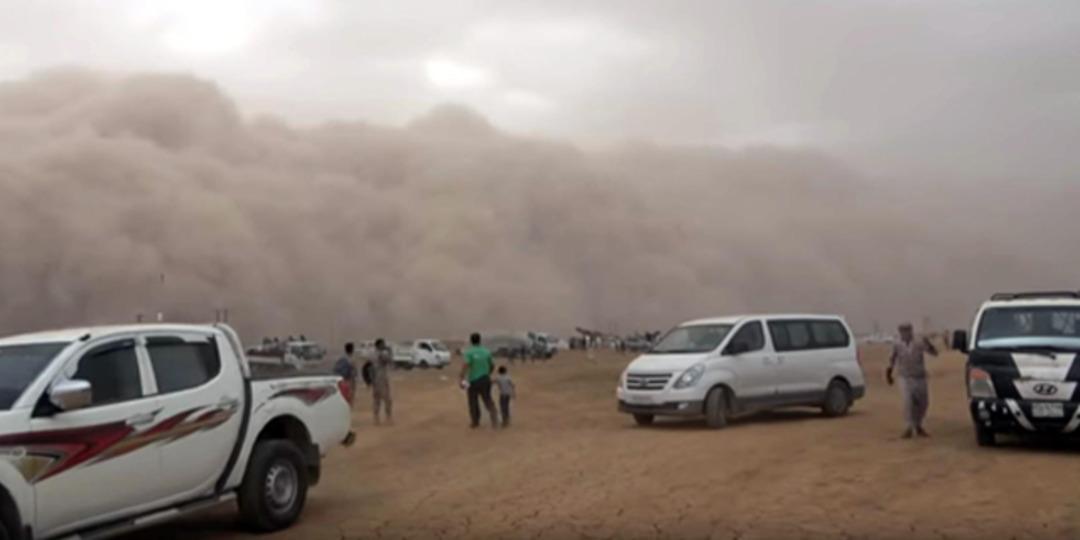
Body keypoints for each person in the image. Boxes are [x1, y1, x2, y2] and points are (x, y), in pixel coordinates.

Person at [887, 323, 938, 438]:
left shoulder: (919, 342)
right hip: (905, 377)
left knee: (923, 403)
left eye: (907, 331)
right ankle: (909, 427)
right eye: (903, 331)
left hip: (920, 376)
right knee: (908, 402)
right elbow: (892, 359)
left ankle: (918, 424)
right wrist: (889, 374)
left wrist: (929, 344)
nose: (905, 333)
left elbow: (934, 353)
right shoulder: (896, 344)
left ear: (911, 331)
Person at [459, 332, 499, 429]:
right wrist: (487, 373)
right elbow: (492, 365)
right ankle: (495, 420)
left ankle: (475, 422)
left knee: (473, 401)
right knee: (488, 400)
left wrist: (461, 377)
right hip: (485, 379)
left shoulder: (469, 352)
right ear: (480, 340)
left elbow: (466, 365)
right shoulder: (486, 351)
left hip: (473, 381)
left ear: (471, 341)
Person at [371, 338, 394, 425]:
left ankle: (376, 418)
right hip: (381, 378)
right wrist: (390, 351)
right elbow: (390, 361)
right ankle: (388, 417)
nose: (384, 345)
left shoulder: (373, 354)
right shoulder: (382, 354)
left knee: (376, 399)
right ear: (379, 345)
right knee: (387, 399)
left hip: (375, 379)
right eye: (383, 344)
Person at [333, 342, 359, 407]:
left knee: (344, 395)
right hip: (350, 379)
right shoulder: (351, 359)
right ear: (352, 349)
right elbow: (354, 371)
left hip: (343, 380)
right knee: (350, 395)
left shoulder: (341, 358)